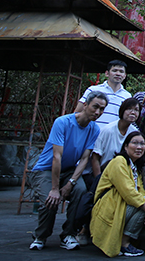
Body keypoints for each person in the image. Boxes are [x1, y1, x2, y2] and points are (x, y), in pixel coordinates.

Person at [28, 92, 106, 251]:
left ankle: (69, 234)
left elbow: (85, 159)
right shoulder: (63, 122)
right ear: (85, 105)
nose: (97, 112)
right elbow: (57, 156)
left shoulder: (94, 129)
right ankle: (40, 236)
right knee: (50, 200)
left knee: (81, 191)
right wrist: (55, 189)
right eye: (95, 107)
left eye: (102, 109)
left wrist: (71, 183)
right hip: (46, 169)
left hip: (69, 170)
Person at [91, 131, 145, 257]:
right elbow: (129, 193)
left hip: (124, 208)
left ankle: (126, 238)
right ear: (125, 146)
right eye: (135, 143)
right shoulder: (119, 161)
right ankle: (124, 242)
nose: (139, 147)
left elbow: (141, 192)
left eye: (142, 144)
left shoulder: (134, 167)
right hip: (110, 209)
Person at [91, 98, 141, 179]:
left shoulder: (135, 133)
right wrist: (98, 180)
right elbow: (95, 158)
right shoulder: (108, 130)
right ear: (122, 110)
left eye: (136, 110)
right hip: (104, 174)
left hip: (124, 175)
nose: (133, 112)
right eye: (129, 109)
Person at [76, 60, 132, 127]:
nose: (118, 74)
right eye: (114, 70)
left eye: (121, 71)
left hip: (113, 135)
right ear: (107, 73)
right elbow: (77, 112)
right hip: (91, 134)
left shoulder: (127, 96)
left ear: (125, 75)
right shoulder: (93, 90)